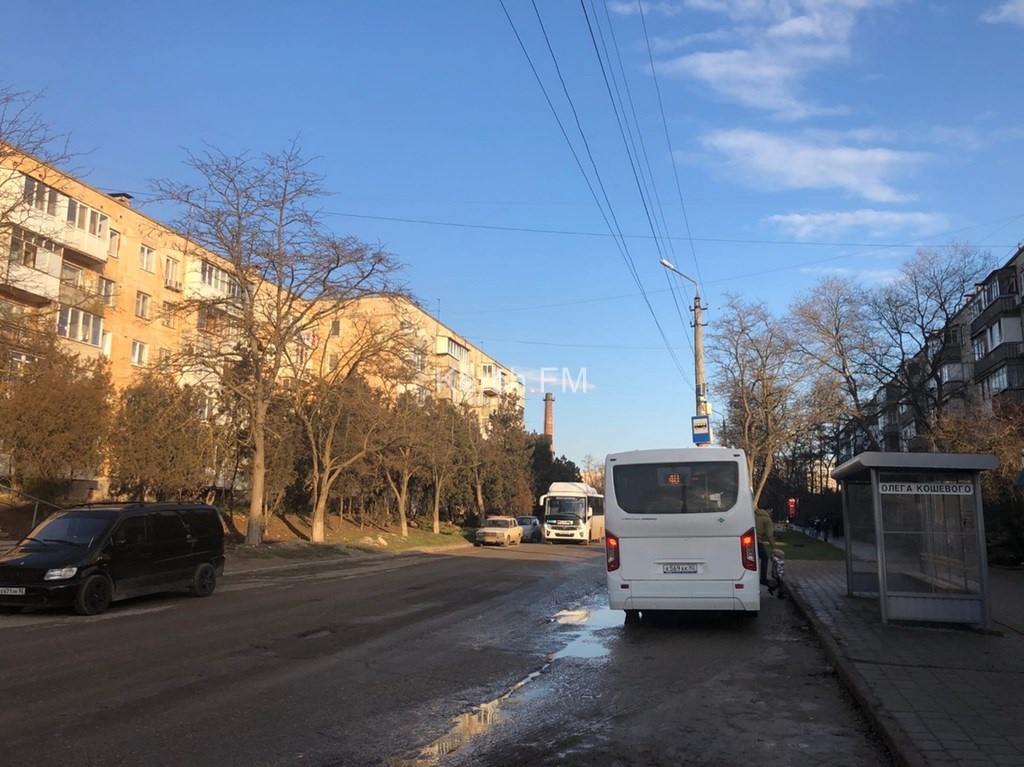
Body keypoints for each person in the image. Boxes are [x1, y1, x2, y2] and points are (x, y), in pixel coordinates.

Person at [754, 506, 776, 585]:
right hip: (758, 541)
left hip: (750, 540)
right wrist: (774, 547)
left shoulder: (754, 515)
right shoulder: (767, 519)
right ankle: (763, 579)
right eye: (771, 511)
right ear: (767, 510)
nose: (771, 513)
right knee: (765, 558)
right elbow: (769, 535)